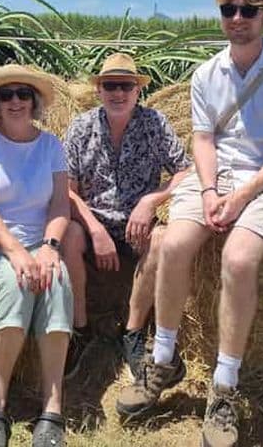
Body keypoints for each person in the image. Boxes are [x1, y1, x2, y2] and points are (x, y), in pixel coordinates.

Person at [115, 0, 263, 447]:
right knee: (174, 242)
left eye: (250, 10)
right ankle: (162, 361)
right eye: (229, 9)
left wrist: (241, 197)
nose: (238, 18)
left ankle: (224, 387)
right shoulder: (208, 73)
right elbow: (203, 139)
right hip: (216, 177)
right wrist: (208, 192)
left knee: (239, 258)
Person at [62, 53, 190, 379]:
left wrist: (152, 201)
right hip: (94, 224)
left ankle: (133, 333)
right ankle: (80, 328)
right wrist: (94, 229)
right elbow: (67, 189)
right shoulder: (81, 127)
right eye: (110, 85)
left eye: (126, 85)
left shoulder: (155, 124)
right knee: (68, 235)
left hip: (137, 225)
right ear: (99, 90)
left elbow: (185, 171)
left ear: (137, 91)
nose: (118, 93)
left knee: (162, 239)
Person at [0, 64, 72, 447]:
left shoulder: (51, 145)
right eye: (6, 94)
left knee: (58, 283)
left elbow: (61, 206)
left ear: (35, 101)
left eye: (22, 94)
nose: (15, 101)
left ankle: (53, 406)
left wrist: (49, 246)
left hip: (37, 244)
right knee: (17, 284)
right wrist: (16, 253)